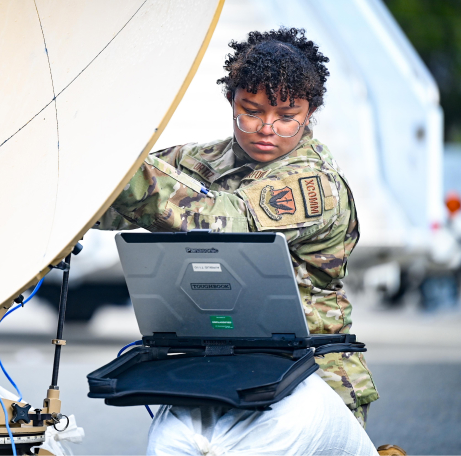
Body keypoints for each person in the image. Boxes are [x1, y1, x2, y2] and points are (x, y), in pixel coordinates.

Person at [97, 27, 378, 428]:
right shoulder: (205, 158)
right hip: (226, 366)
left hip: (309, 377)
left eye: (287, 116)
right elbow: (111, 203)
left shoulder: (311, 183)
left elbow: (224, 222)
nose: (267, 129)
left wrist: (119, 161)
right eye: (252, 111)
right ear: (231, 101)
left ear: (310, 113)